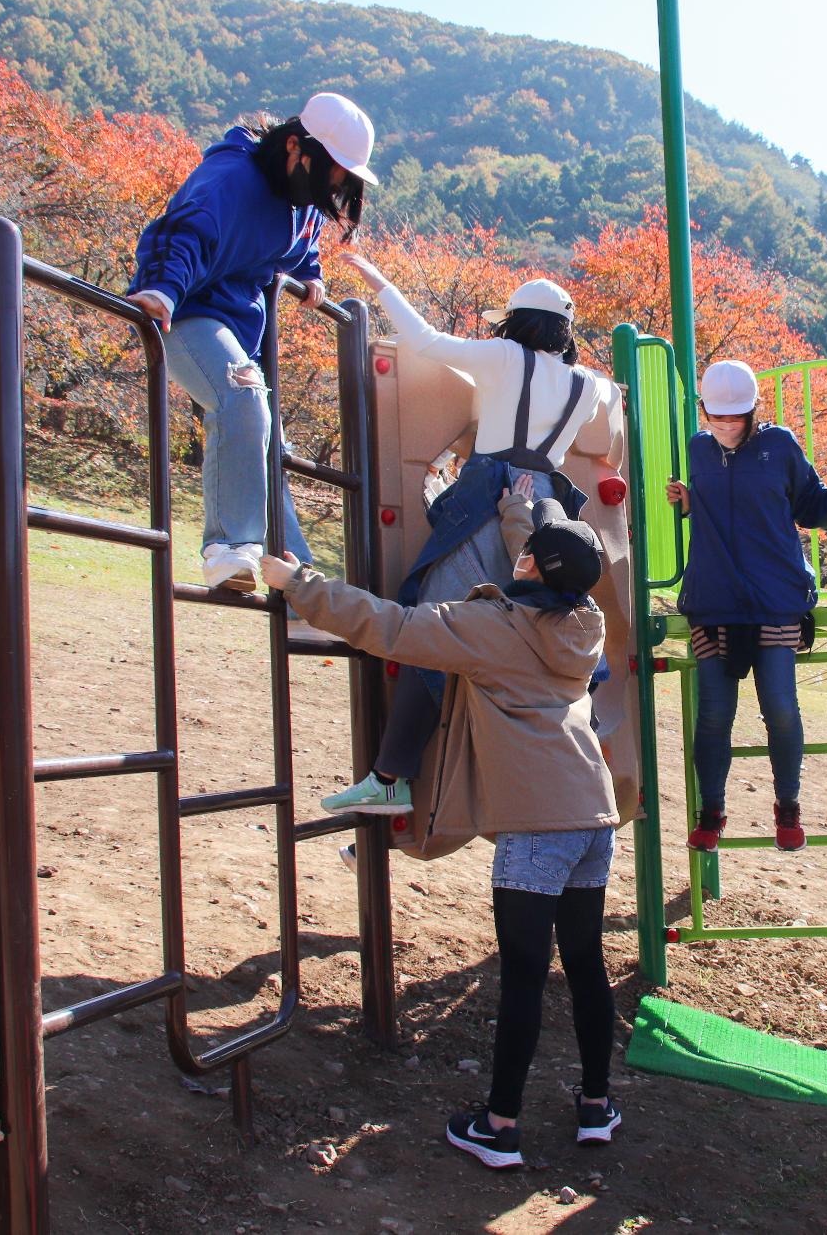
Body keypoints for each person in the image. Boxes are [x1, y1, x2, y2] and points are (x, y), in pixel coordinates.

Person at [260, 491, 621, 1169]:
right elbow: (546, 549)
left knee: (522, 975)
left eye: (528, 554)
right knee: (583, 962)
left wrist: (299, 583)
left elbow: (388, 624)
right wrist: (519, 511)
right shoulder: (586, 618)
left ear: (535, 569)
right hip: (592, 813)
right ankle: (597, 1105)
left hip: (537, 819)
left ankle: (500, 1125)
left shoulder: (492, 629)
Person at [319, 252, 611, 816]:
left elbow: (426, 341)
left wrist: (380, 281)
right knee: (533, 643)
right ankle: (577, 754)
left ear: (517, 323)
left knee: (434, 625)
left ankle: (391, 776)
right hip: (545, 518)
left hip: (492, 503)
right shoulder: (589, 387)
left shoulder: (505, 359)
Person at [126, 92, 378, 591]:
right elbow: (183, 231)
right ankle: (228, 547)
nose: (335, 190)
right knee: (241, 398)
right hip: (188, 312)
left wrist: (311, 275)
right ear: (293, 147)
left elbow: (301, 243)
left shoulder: (300, 197)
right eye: (332, 174)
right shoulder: (231, 180)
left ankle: (299, 586)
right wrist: (162, 288)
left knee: (268, 442)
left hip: (239, 331)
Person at [667, 359, 827, 851]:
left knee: (779, 706)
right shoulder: (698, 449)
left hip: (774, 596)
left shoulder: (778, 446)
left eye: (735, 417)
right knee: (713, 714)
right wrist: (692, 502)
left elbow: (808, 502)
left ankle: (788, 807)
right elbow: (723, 503)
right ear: (704, 411)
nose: (726, 425)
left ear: (754, 412)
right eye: (717, 416)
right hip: (714, 599)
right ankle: (710, 813)